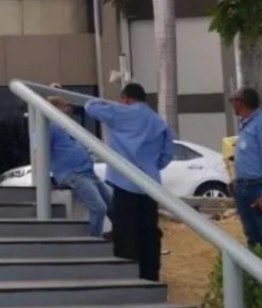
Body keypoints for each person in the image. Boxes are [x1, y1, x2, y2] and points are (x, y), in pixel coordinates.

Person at [81, 82, 173, 282]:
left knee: (125, 233)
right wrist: (150, 167)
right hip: (149, 186)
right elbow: (167, 154)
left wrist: (109, 103)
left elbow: (90, 107)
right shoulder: (158, 121)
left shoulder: (121, 113)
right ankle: (150, 277)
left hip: (124, 182)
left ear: (127, 99)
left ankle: (128, 278)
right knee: (149, 233)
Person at [46, 97, 113, 238]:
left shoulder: (67, 126)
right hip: (73, 174)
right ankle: (94, 240)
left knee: (113, 202)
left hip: (88, 172)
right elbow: (40, 151)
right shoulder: (49, 127)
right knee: (99, 208)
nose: (69, 109)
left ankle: (120, 235)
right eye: (65, 106)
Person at [229, 87, 262, 250]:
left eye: (233, 100)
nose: (232, 104)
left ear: (241, 102)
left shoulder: (261, 123)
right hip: (243, 188)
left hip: (257, 188)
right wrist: (237, 180)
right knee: (252, 237)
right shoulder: (246, 125)